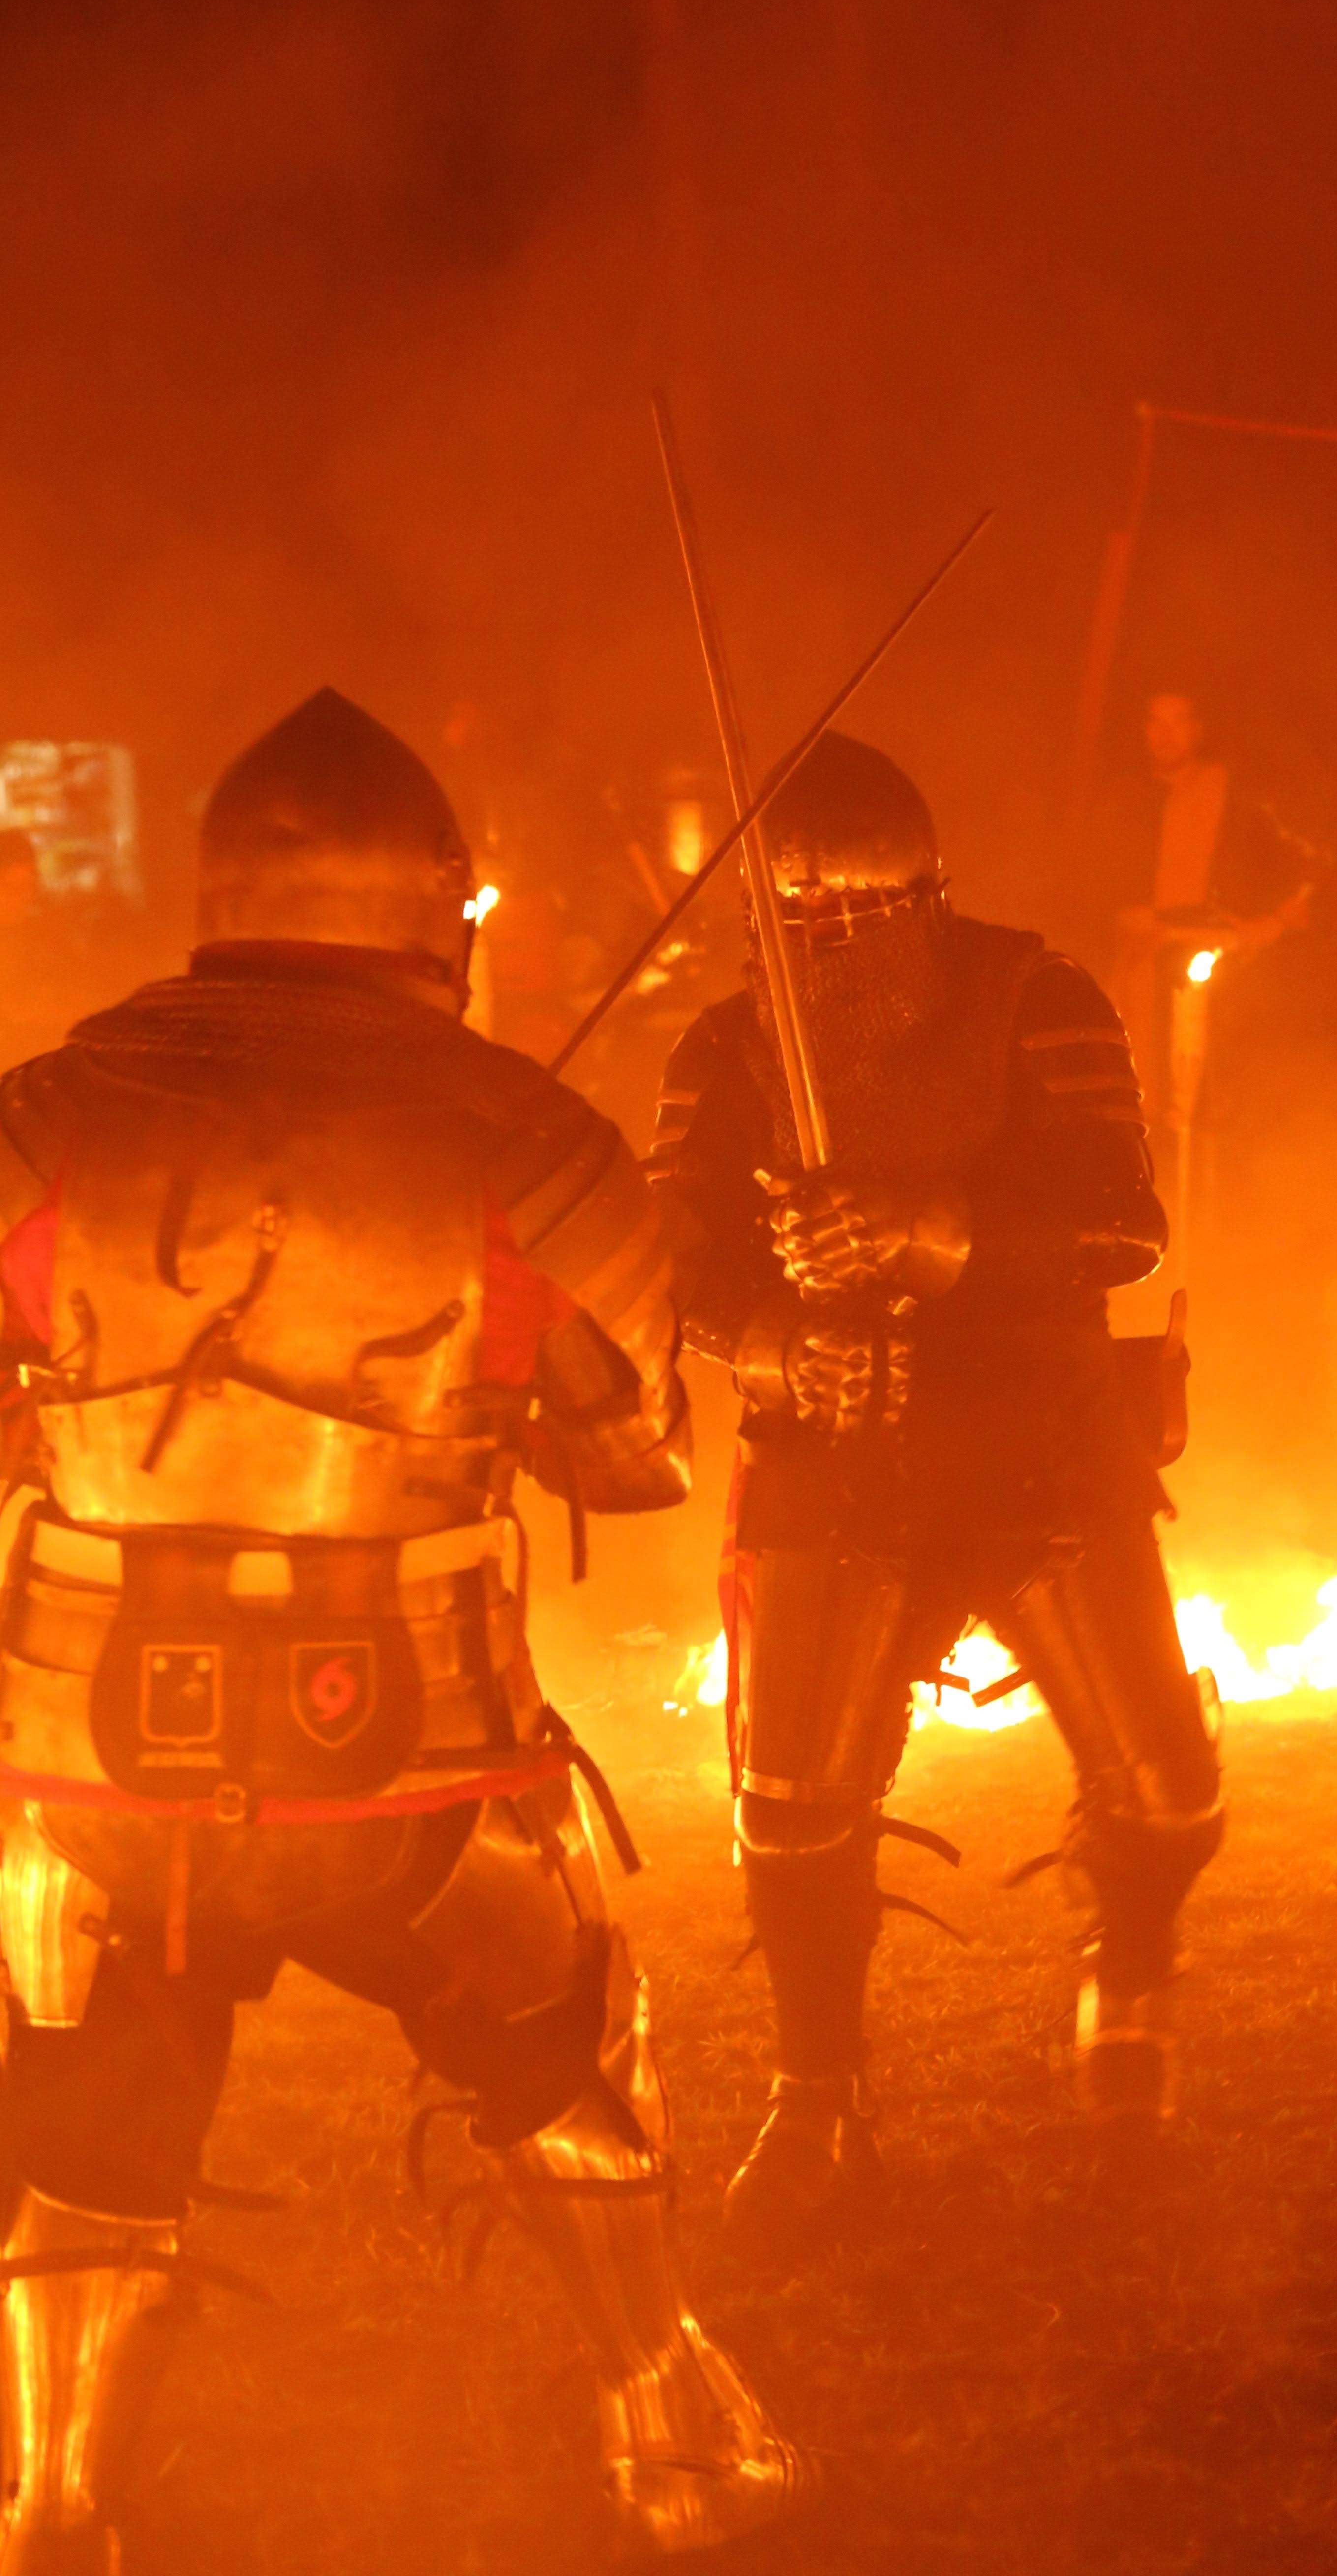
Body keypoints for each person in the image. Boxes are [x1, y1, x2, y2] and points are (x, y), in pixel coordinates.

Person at [0, 690, 805, 2568]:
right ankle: (671, 2428)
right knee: (573, 2059)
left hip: (85, 1754)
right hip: (414, 1756)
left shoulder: (36, 1118)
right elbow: (635, 1464)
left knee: (89, 2124)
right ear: (438, 909)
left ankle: (55, 2501)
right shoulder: (528, 1144)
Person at [648, 733, 1225, 2255]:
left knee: (1166, 1785)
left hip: (1041, 1437)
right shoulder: (724, 1050)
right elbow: (670, 1260)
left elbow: (1119, 1222)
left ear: (925, 898)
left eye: (859, 921)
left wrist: (934, 1226)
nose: (830, 957)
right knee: (792, 1817)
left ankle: (1134, 1964)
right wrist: (766, 1336)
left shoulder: (1041, 1000)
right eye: (800, 926)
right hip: (836, 1459)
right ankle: (816, 2088)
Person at [1106, 693, 1314, 1127]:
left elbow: (1306, 866)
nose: (1166, 735)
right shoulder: (1125, 801)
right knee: (1146, 1098)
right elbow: (1096, 885)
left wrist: (1268, 925)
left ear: (1199, 728)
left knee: (1215, 1099)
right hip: (1145, 969)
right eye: (1155, 723)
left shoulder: (1236, 794)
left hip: (1219, 967)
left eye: (1178, 721)